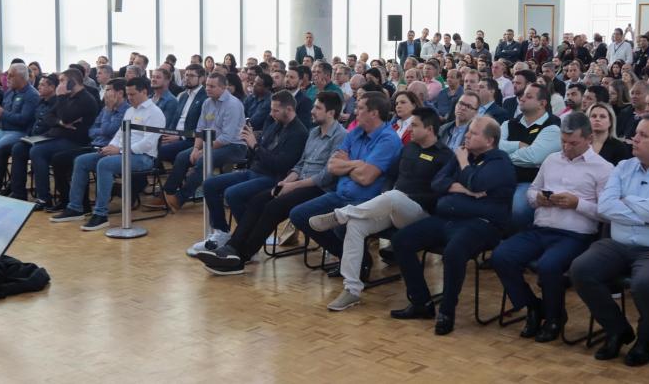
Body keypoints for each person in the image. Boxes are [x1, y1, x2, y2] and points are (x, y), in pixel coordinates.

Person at [570, 113, 649, 366]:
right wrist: (647, 213)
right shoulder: (624, 167)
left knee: (645, 283)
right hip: (619, 244)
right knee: (580, 270)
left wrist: (627, 202)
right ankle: (617, 329)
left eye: (643, 135)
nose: (634, 138)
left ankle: (647, 339)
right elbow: (605, 208)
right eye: (636, 132)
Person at [308, 107, 454, 311]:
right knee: (356, 226)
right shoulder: (409, 148)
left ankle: (341, 214)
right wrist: (384, 196)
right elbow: (391, 176)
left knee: (394, 197)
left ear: (429, 129)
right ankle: (351, 289)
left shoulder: (445, 156)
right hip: (393, 205)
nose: (409, 129)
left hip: (420, 213)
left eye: (414, 125)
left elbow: (441, 192)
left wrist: (396, 197)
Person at [492, 113, 614, 342]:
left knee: (549, 266)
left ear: (589, 139)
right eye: (563, 142)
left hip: (575, 235)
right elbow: (530, 192)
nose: (567, 148)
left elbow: (607, 213)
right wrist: (538, 199)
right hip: (541, 227)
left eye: (573, 143)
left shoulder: (603, 168)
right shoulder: (551, 160)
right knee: (501, 256)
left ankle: (555, 317)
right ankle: (533, 306)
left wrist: (578, 203)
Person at [193, 92, 346, 272]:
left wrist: (292, 185)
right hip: (297, 182)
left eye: (318, 108)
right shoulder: (314, 133)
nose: (312, 111)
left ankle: (242, 257)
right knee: (258, 200)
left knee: (273, 207)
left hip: (318, 188)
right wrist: (286, 183)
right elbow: (300, 164)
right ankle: (232, 247)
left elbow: (326, 176)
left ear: (331, 112)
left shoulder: (340, 136)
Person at [389, 117, 515, 335]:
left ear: (490, 140)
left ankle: (447, 311)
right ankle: (421, 302)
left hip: (481, 224)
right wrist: (464, 189)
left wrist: (464, 167)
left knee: (453, 252)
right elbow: (437, 182)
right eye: (468, 132)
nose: (467, 136)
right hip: (447, 218)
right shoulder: (460, 156)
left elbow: (477, 183)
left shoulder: (500, 162)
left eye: (473, 133)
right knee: (401, 241)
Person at [288, 91, 402, 265]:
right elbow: (332, 166)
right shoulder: (356, 132)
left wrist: (347, 165)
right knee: (299, 215)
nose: (355, 111)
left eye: (360, 108)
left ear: (374, 113)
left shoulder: (388, 140)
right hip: (340, 195)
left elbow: (366, 178)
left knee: (342, 226)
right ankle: (351, 259)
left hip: (365, 201)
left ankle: (358, 264)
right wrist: (357, 164)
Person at [189, 90, 308, 252]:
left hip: (273, 177)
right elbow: (259, 153)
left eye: (276, 110)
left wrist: (254, 145)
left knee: (233, 193)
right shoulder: (275, 124)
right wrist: (249, 141)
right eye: (271, 109)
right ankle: (222, 232)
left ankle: (246, 237)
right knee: (210, 184)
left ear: (289, 109)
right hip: (255, 170)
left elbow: (279, 165)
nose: (272, 114)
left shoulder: (299, 133)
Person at [51, 77, 165, 231]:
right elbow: (120, 134)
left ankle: (101, 214)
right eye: (128, 94)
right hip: (122, 152)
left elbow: (148, 143)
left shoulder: (155, 113)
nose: (129, 98)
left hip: (143, 158)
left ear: (144, 92)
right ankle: (75, 207)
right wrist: (110, 147)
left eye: (132, 94)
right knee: (82, 161)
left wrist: (120, 150)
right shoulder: (131, 111)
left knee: (105, 164)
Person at [163, 73, 248, 211]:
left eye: (212, 86)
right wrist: (196, 148)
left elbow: (226, 138)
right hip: (212, 144)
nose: (207, 89)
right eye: (207, 85)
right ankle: (168, 193)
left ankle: (180, 199)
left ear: (223, 88)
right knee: (182, 156)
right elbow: (200, 129)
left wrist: (203, 151)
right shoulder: (207, 103)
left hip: (234, 146)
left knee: (204, 160)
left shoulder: (233, 105)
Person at [20, 69, 98, 208]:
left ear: (72, 82)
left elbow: (66, 116)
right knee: (28, 148)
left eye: (62, 81)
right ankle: (49, 197)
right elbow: (48, 117)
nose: (59, 85)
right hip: (59, 137)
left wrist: (61, 99)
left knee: (38, 151)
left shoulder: (86, 99)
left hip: (76, 141)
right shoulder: (68, 96)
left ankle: (46, 198)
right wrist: (61, 122)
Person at [49, 78, 129, 212]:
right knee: (58, 159)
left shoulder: (125, 110)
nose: (105, 93)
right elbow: (92, 130)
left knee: (77, 161)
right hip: (94, 145)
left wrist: (108, 114)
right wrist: (103, 129)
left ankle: (82, 204)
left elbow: (109, 130)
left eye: (108, 90)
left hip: (110, 149)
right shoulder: (105, 109)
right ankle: (67, 200)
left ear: (120, 93)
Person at [499, 82, 561, 230]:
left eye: (529, 96)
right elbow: (492, 147)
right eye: (522, 95)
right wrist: (518, 145)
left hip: (530, 182)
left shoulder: (552, 126)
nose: (522, 99)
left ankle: (512, 240)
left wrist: (502, 156)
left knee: (518, 208)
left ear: (542, 103)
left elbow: (533, 157)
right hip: (501, 177)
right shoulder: (509, 124)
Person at [0, 73, 58, 196]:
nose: (38, 87)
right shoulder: (40, 101)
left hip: (49, 139)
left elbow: (31, 120)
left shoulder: (57, 103)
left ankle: (43, 197)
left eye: (42, 85)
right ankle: (15, 190)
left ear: (53, 88)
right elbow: (34, 123)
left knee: (33, 151)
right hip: (33, 136)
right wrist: (29, 136)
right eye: (39, 84)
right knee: (14, 148)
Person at [157, 64, 207, 165]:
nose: (187, 78)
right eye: (186, 75)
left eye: (191, 76)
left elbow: (202, 125)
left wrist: (180, 137)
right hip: (175, 135)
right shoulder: (182, 95)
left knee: (158, 150)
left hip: (191, 139)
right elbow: (175, 119)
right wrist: (169, 133)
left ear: (201, 79)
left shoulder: (205, 98)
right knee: (149, 145)